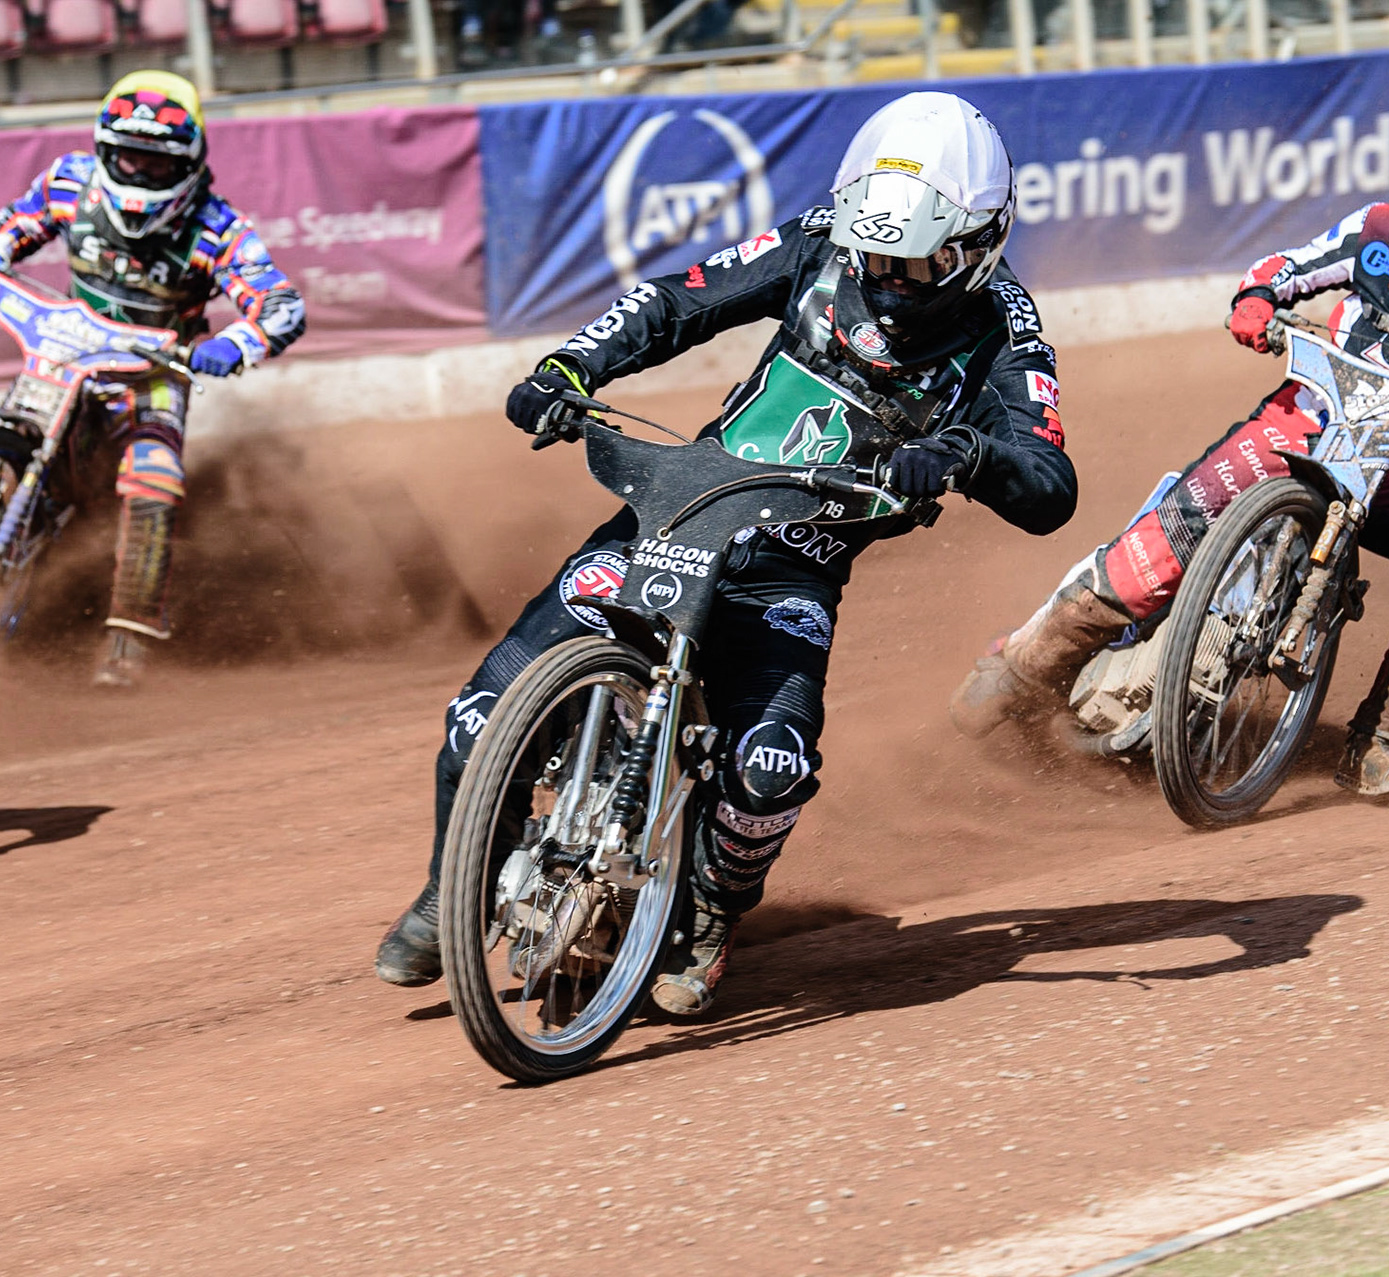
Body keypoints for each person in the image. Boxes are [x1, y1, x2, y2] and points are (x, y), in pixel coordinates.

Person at [375, 91, 1076, 1014]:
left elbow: (1049, 486)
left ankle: (709, 908)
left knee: (769, 766)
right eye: (875, 255)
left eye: (913, 264)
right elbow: (679, 302)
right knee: (480, 718)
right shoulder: (821, 242)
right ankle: (447, 883)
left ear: (978, 242)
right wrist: (571, 368)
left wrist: (964, 453)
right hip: (678, 508)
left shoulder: (1007, 332)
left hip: (792, 571)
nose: (886, 278)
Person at [951, 108, 1389, 803]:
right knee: (1142, 566)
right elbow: (1285, 269)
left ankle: (1384, 743)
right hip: (1295, 430)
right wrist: (1256, 300)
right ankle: (1022, 668)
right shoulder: (1374, 235)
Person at [0, 70, 305, 687]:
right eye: (127, 159)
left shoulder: (218, 228)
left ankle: (128, 639)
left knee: (153, 481)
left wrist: (234, 342)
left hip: (155, 376)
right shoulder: (71, 182)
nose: (138, 174)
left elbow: (283, 305)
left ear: (190, 164)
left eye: (155, 163)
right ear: (102, 151)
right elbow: (20, 219)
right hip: (63, 350)